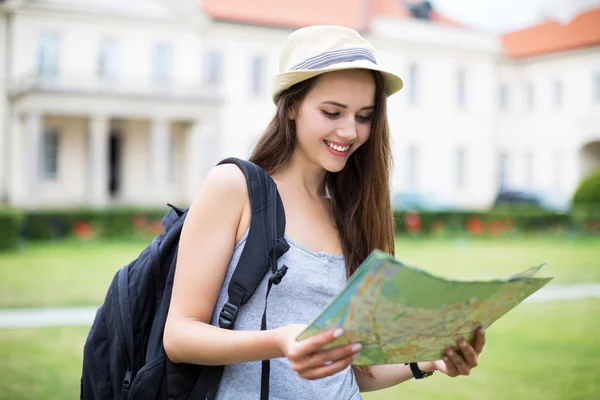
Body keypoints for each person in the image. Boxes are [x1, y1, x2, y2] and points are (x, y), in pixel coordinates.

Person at [163, 25, 486, 399]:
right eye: (333, 112)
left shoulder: (350, 213)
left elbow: (351, 372)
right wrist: (282, 341)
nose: (349, 131)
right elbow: (180, 336)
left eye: (364, 116)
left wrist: (428, 361)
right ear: (292, 106)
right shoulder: (234, 187)